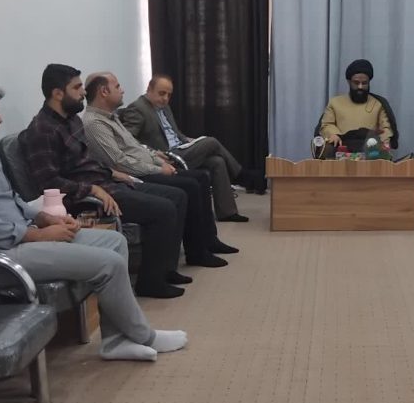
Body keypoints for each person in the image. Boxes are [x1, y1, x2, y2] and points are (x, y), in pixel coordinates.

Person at [0, 77, 188, 361]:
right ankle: (145, 336)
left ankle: (115, 340)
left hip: (20, 238)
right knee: (108, 263)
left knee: (114, 242)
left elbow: (11, 199)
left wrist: (46, 218)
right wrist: (38, 235)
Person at [20, 64, 192, 299]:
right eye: (77, 88)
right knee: (163, 209)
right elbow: (49, 183)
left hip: (105, 183)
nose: (83, 92)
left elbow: (87, 162)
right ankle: (150, 282)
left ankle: (166, 270)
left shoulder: (71, 120)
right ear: (57, 93)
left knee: (178, 196)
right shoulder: (42, 131)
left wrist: (111, 172)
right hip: (84, 199)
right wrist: (92, 189)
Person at [81, 71, 238, 267]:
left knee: (201, 178)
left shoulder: (111, 117)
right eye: (118, 86)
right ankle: (196, 252)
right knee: (191, 184)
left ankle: (208, 240)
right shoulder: (95, 123)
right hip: (133, 175)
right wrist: (157, 169)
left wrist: (158, 160)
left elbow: (137, 147)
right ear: (104, 91)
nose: (123, 90)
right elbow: (118, 162)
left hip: (148, 165)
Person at [121, 73, 258, 222]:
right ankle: (241, 175)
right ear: (149, 89)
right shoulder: (137, 108)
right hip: (166, 156)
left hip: (181, 148)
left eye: (168, 95)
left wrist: (188, 140)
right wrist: (153, 152)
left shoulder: (164, 107)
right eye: (161, 93)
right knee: (211, 142)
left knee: (217, 161)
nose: (165, 98)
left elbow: (175, 133)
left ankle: (227, 212)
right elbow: (128, 141)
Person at [316, 59, 396, 152]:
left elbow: (386, 129)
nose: (360, 87)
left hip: (369, 152)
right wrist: (333, 134)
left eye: (364, 83)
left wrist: (381, 144)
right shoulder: (335, 103)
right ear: (349, 82)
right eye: (356, 83)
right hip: (340, 151)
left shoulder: (378, 104)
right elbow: (326, 124)